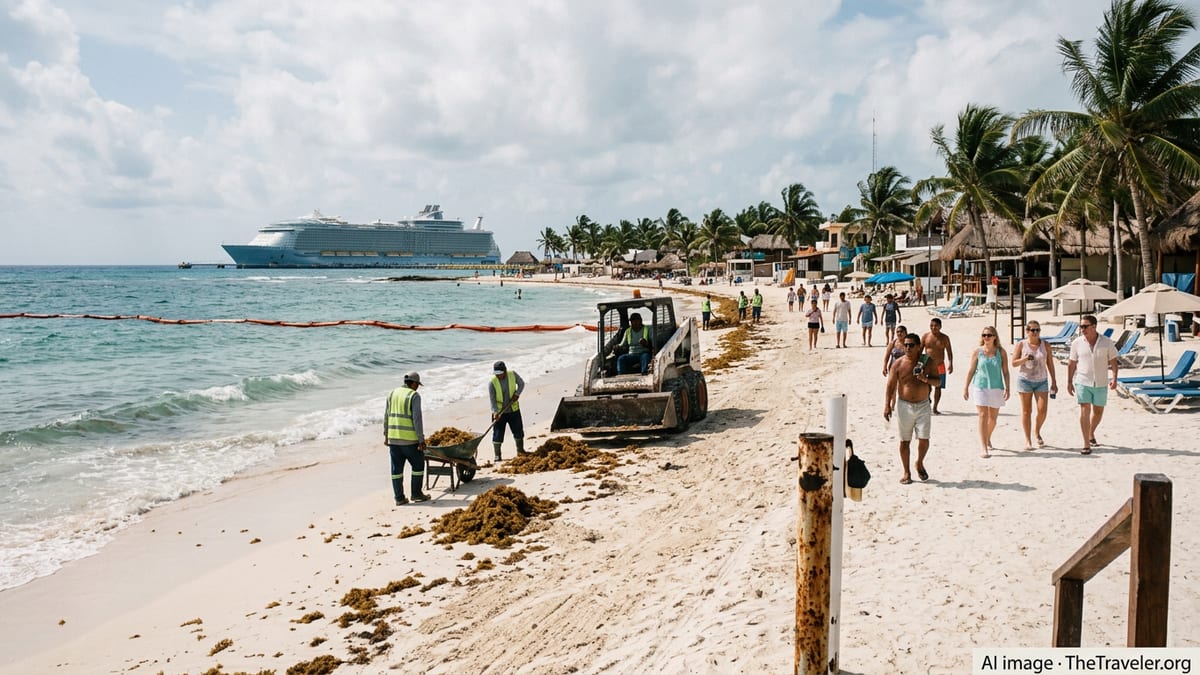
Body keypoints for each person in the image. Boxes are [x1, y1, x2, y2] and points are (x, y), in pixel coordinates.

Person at [884, 334, 935, 484]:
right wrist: (887, 405)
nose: (908, 348)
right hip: (904, 405)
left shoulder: (927, 361)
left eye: (911, 345)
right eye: (906, 345)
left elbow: (938, 381)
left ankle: (919, 462)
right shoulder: (898, 364)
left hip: (923, 404)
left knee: (924, 439)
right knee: (904, 440)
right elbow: (890, 386)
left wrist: (926, 379)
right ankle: (906, 472)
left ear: (919, 346)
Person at [1066, 315, 1119, 455]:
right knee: (1084, 410)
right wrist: (1069, 382)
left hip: (1101, 381)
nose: (1082, 329)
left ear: (1094, 326)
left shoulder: (1107, 342)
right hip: (1083, 381)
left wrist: (1114, 378)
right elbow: (1071, 363)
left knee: (1098, 412)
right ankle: (1085, 444)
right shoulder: (1077, 343)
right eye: (1081, 326)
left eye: (1085, 326)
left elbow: (1113, 361)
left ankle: (1090, 433)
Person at [962, 326, 1010, 458]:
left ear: (995, 336)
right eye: (984, 335)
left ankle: (987, 437)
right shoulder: (977, 352)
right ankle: (984, 447)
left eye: (989, 335)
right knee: (982, 416)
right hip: (980, 386)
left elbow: (1005, 371)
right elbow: (971, 370)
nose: (986, 337)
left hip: (996, 387)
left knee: (993, 419)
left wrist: (1008, 387)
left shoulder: (1001, 351)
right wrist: (966, 387)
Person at [384, 372, 431, 505]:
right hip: (410, 440)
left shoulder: (392, 393)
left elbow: (386, 416)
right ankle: (416, 494)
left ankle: (399, 498)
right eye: (417, 385)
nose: (418, 388)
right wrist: (421, 439)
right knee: (418, 465)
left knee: (396, 470)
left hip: (393, 439)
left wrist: (386, 435)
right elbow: (417, 418)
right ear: (414, 383)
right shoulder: (413, 396)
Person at [1012, 320, 1058, 451]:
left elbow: (1050, 363)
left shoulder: (1045, 345)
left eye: (1038, 330)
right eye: (1032, 330)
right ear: (1027, 331)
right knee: (1027, 411)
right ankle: (1028, 440)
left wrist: (1054, 381)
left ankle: (1037, 431)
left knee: (1042, 410)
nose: (1035, 333)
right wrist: (1024, 358)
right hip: (1025, 380)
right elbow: (1014, 363)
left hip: (1042, 380)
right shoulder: (1021, 344)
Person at [488, 361, 525, 461]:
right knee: (498, 433)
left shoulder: (512, 374)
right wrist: (495, 412)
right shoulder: (492, 382)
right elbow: (492, 400)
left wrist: (517, 394)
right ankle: (497, 455)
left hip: (513, 409)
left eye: (500, 374)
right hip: (500, 412)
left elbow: (521, 383)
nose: (498, 376)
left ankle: (520, 451)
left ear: (504, 371)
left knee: (518, 431)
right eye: (497, 374)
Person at [922, 317, 954, 414]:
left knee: (938, 386)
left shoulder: (944, 338)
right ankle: (927, 401)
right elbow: (919, 350)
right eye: (931, 325)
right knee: (925, 384)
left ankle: (935, 407)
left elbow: (949, 351)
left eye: (936, 326)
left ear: (940, 326)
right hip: (927, 363)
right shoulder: (925, 336)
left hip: (939, 364)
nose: (933, 327)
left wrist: (950, 363)